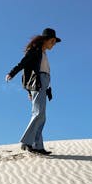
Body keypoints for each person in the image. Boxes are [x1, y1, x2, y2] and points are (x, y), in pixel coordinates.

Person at [5, 27, 62, 156]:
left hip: (43, 84)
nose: (53, 44)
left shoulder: (44, 53)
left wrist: (46, 88)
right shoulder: (35, 51)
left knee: (42, 116)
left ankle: (37, 146)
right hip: (38, 83)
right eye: (52, 41)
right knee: (38, 114)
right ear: (46, 40)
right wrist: (12, 73)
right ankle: (27, 142)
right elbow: (23, 63)